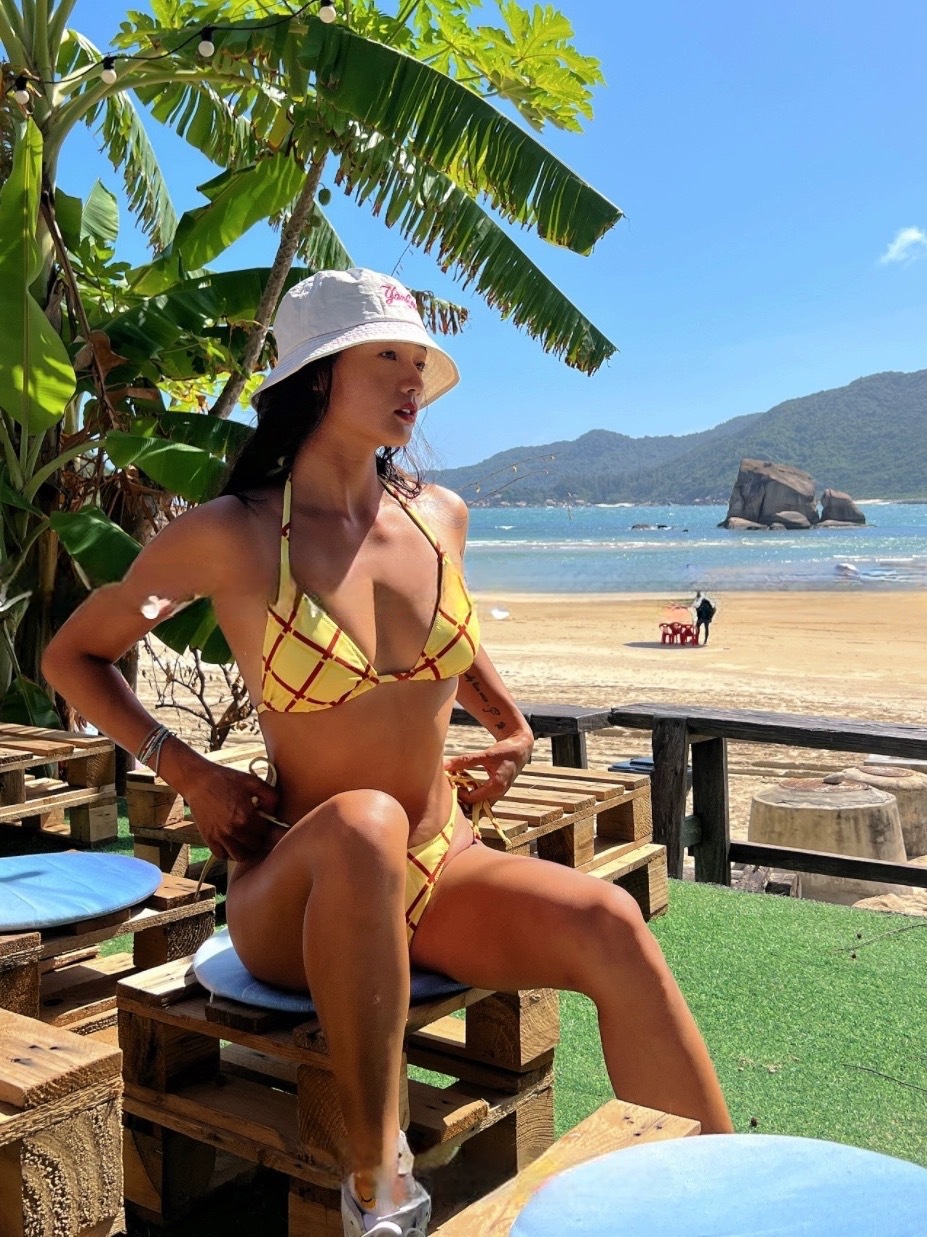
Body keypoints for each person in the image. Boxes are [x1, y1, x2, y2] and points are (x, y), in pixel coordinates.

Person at [43, 268, 732, 1237]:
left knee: (609, 920)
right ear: (319, 376)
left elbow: (452, 632)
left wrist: (511, 725)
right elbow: (73, 656)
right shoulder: (234, 537)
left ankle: (722, 1196)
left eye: (420, 361)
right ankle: (379, 1188)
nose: (414, 380)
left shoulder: (437, 516)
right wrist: (189, 769)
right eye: (387, 359)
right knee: (363, 822)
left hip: (439, 864)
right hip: (299, 887)